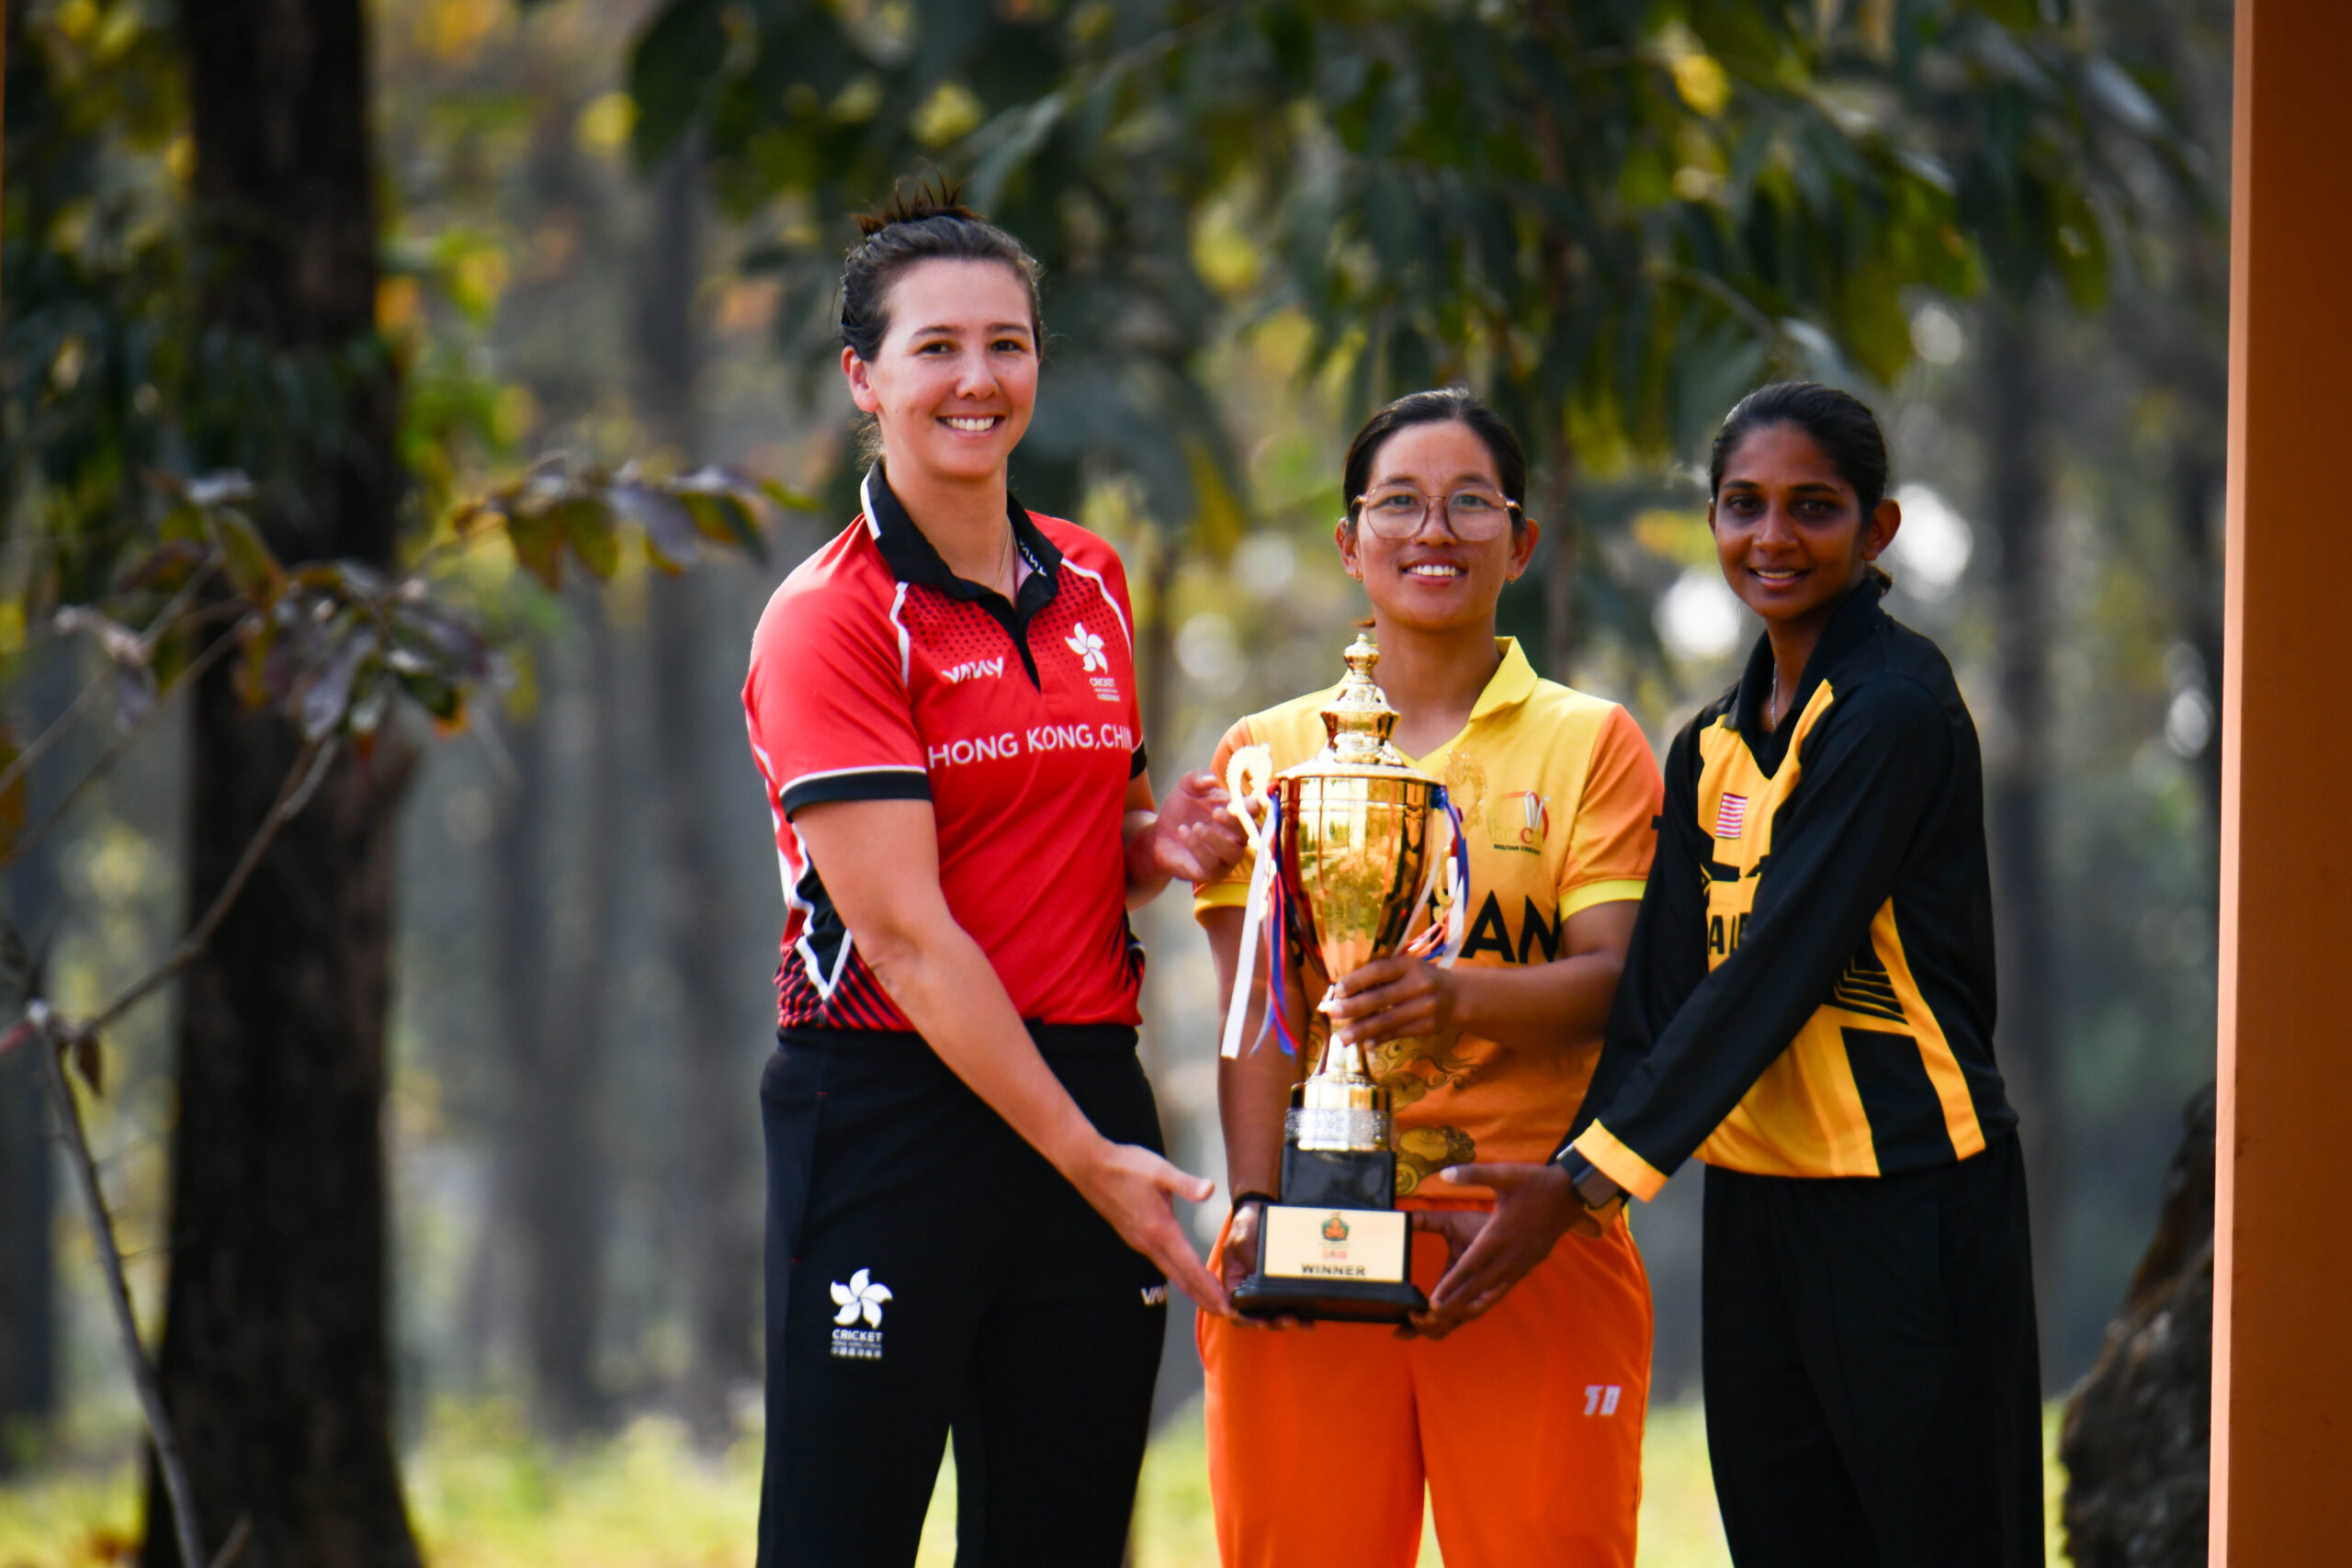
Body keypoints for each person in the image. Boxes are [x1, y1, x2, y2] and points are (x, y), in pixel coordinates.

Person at [1444, 382, 2042, 1566]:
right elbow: (1660, 994)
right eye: (1743, 505)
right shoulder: (1707, 740)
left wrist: (1584, 1182)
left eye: (1812, 508)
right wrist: (1580, 1170)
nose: (1772, 538)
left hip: (1911, 1195)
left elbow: (1775, 970)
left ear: (1877, 530)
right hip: (1759, 1207)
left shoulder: (1893, 711)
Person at [740, 185, 1248, 1568]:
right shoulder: (830, 618)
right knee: (842, 1539)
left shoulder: (1089, 576)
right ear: (865, 376)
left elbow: (1105, 839)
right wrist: (1086, 1159)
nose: (979, 379)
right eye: (937, 347)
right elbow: (903, 935)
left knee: (1063, 1535)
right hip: (893, 1109)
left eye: (1008, 343)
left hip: (1087, 1074)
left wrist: (1167, 845)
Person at [1193, 388, 1663, 1567]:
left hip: (1521, 1232)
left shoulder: (1589, 741)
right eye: (1397, 503)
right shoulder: (1268, 754)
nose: (1432, 531)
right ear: (1350, 543)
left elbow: (1621, 981)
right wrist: (1254, 1210)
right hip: (1309, 1225)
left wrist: (1460, 999)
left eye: (1469, 504)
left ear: (1523, 540)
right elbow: (1257, 1015)